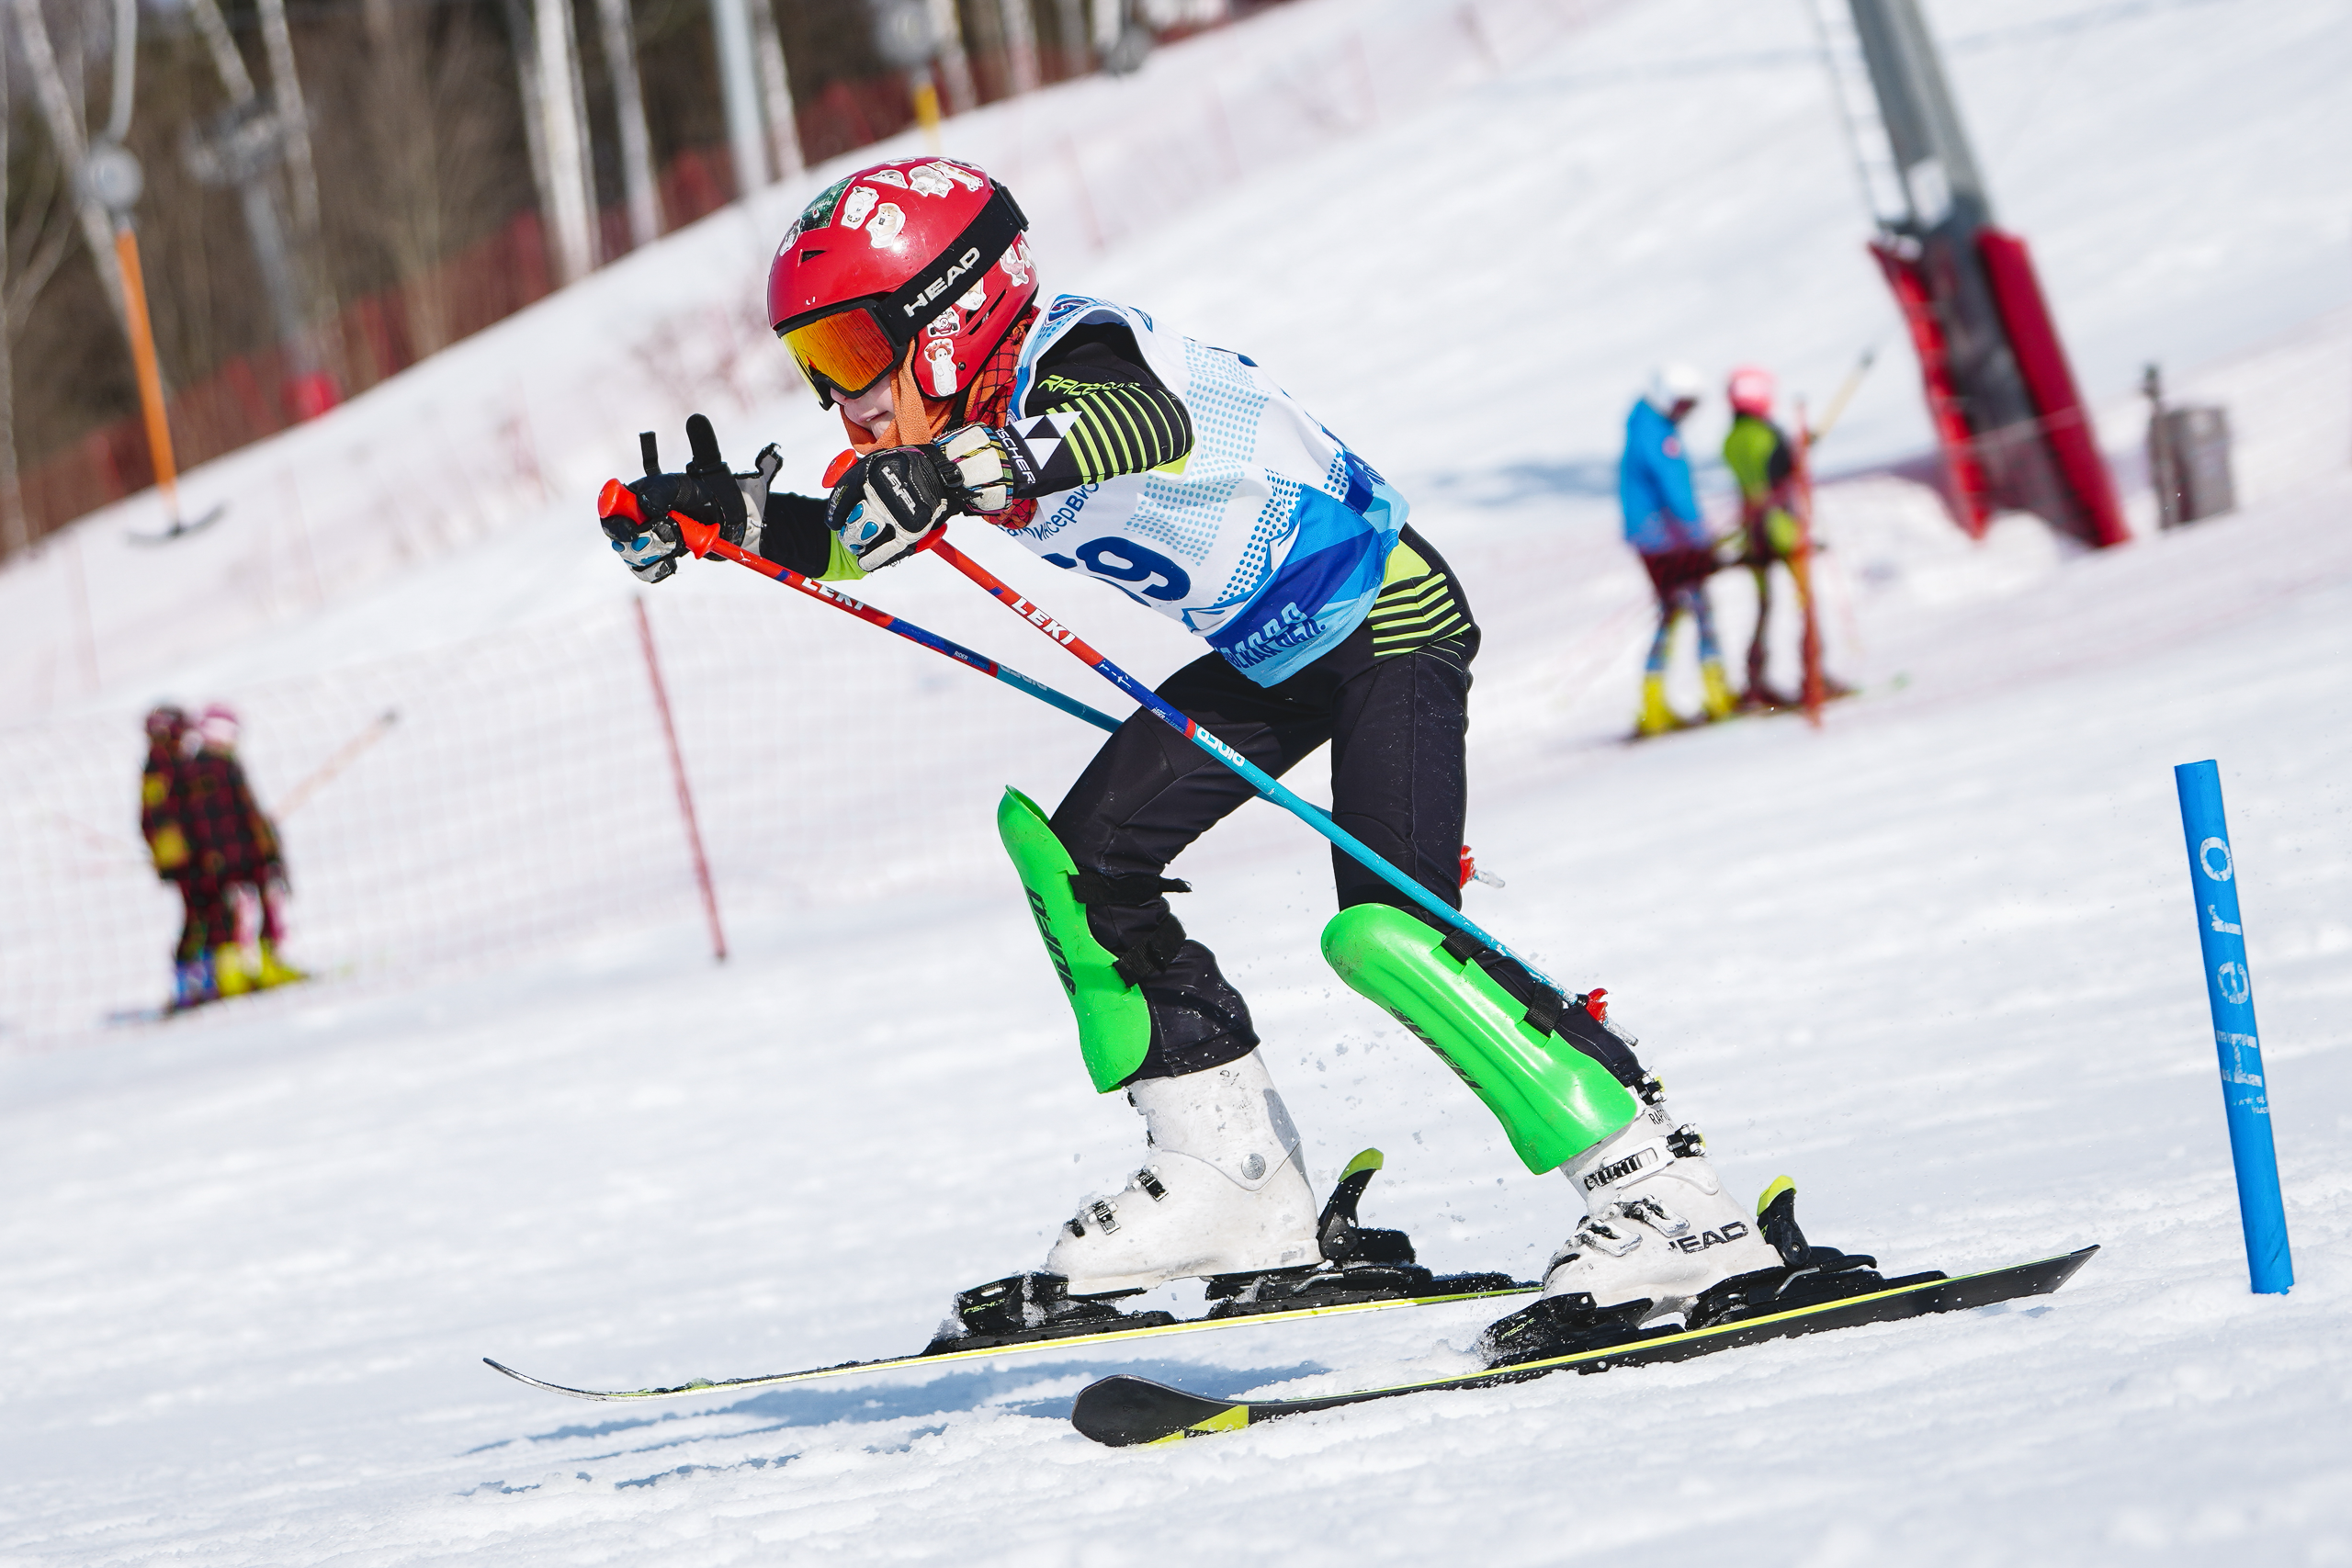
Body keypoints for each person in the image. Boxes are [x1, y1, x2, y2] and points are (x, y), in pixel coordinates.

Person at [601, 157, 1825, 1337]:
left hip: (1383, 614)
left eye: (853, 350)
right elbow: (855, 535)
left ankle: (1662, 1191)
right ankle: (1231, 1181)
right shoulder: (960, 433)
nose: (844, 397)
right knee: (1084, 862)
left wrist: (960, 469)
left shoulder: (1074, 354)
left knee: (1391, 931)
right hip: (1267, 654)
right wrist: (725, 518)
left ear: (952, 314)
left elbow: (1139, 421)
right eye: (816, 364)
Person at [1722, 366, 1847, 710]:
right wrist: (1797, 452)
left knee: (1764, 606)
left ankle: (1755, 682)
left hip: (1752, 532)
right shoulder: (1764, 434)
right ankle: (1813, 677)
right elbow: (1781, 472)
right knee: (1805, 604)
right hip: (1783, 528)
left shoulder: (1731, 439)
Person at [1620, 364, 1735, 737]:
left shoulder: (1645, 424)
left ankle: (1653, 703)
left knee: (1672, 612)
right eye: (1683, 404)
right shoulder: (1658, 435)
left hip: (1655, 539)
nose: (1686, 413)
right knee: (1697, 610)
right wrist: (1700, 537)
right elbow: (1676, 491)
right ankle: (1716, 695)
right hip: (1667, 541)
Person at [177, 705, 306, 998]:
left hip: (239, 853)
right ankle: (235, 972)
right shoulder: (210, 769)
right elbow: (215, 819)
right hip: (231, 856)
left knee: (254, 907)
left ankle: (260, 965)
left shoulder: (221, 765)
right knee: (233, 912)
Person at [140, 705, 220, 1010]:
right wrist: (170, 855)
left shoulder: (172, 765)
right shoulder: (160, 768)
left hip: (192, 855)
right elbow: (156, 818)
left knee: (209, 913)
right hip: (186, 860)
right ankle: (190, 983)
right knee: (197, 915)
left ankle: (208, 977)